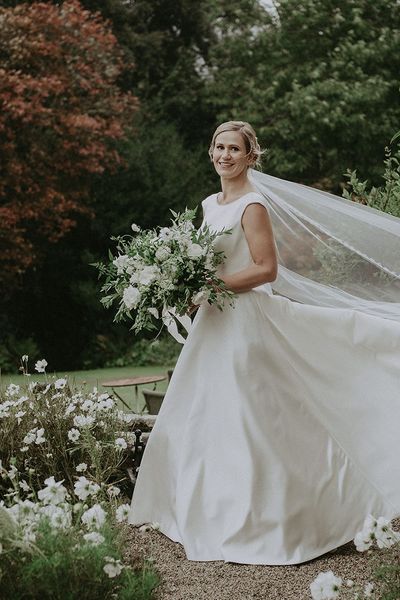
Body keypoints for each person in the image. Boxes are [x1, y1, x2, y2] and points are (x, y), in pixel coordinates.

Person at [128, 120, 400, 565]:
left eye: (234, 148)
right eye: (219, 146)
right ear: (210, 152)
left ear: (251, 156)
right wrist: (185, 287)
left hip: (244, 321)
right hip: (213, 324)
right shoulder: (209, 204)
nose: (225, 155)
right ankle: (205, 510)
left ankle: (276, 519)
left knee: (252, 418)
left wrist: (212, 287)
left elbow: (265, 269)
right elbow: (205, 261)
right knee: (203, 414)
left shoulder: (252, 205)